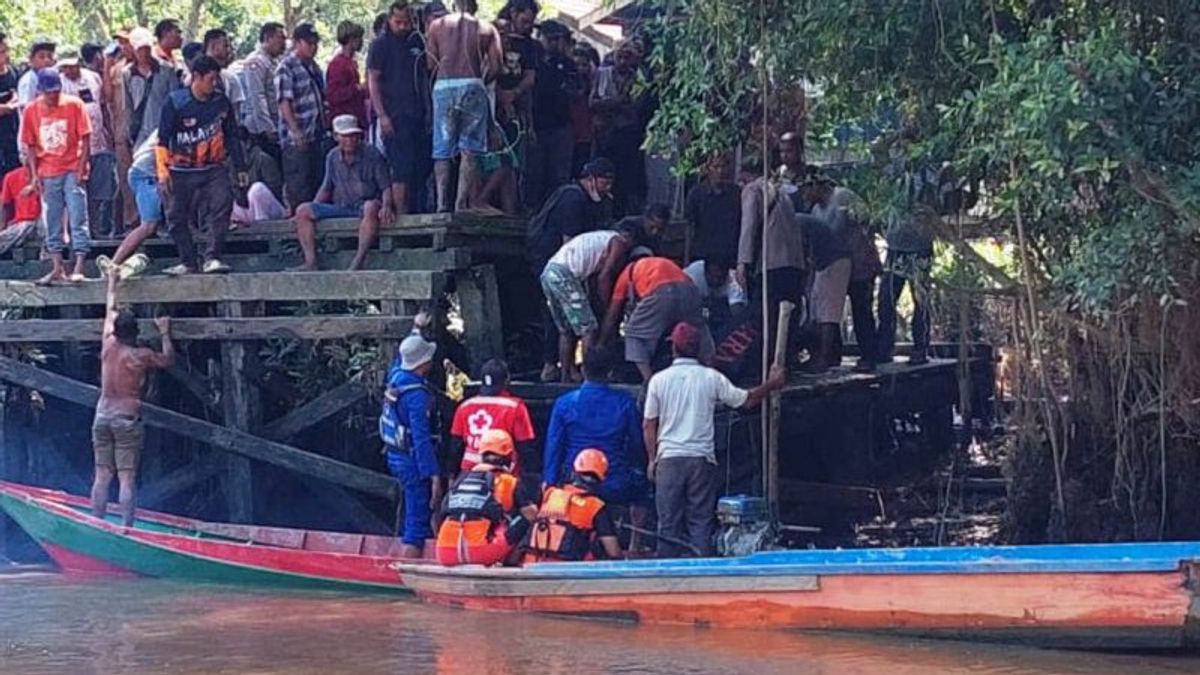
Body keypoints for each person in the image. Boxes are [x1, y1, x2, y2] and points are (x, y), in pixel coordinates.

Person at [643, 322, 786, 558]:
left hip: (669, 459)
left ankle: (666, 577)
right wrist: (772, 384)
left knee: (668, 524)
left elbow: (649, 424)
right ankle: (703, 573)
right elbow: (746, 401)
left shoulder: (659, 380)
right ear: (699, 349)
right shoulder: (711, 378)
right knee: (701, 522)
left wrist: (652, 459)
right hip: (701, 460)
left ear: (673, 349)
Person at [543, 347, 652, 544]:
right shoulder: (625, 403)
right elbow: (637, 445)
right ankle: (635, 545)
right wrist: (638, 471)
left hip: (574, 482)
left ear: (583, 370)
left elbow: (554, 447)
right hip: (615, 481)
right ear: (611, 373)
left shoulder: (564, 403)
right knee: (642, 492)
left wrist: (550, 483)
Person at [92, 273, 174, 527]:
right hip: (126, 419)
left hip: (102, 416)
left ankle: (97, 525)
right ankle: (127, 529)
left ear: (116, 331)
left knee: (102, 475)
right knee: (126, 477)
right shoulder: (141, 356)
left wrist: (112, 283)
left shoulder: (107, 344)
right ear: (135, 332)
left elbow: (110, 309)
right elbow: (168, 360)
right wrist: (165, 333)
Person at [156, 55, 248, 276]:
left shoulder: (221, 102)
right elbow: (162, 139)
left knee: (222, 205)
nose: (214, 84)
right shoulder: (176, 102)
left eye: (216, 79)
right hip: (180, 170)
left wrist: (241, 167)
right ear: (196, 77)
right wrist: (162, 171)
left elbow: (232, 136)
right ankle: (188, 261)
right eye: (210, 79)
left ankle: (213, 257)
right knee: (175, 216)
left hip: (213, 168)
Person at [528, 157, 615, 381]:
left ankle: (564, 371)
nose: (607, 189)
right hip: (555, 260)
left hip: (558, 265)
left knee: (565, 324)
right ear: (591, 180)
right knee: (582, 322)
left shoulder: (591, 201)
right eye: (604, 183)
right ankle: (583, 372)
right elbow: (570, 243)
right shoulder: (573, 198)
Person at [426, 0, 503, 212]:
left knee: (441, 149)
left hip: (444, 87)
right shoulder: (487, 28)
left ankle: (442, 203)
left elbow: (431, 64)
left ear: (453, 4)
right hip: (472, 84)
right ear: (474, 6)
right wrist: (481, 81)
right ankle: (461, 203)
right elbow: (497, 66)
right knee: (469, 149)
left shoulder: (436, 26)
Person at [540, 220, 640, 382]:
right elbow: (604, 276)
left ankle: (566, 375)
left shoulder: (599, 238)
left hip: (549, 272)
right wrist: (606, 304)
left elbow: (593, 276)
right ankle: (590, 375)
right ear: (630, 240)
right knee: (589, 327)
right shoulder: (618, 242)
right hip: (565, 275)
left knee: (566, 330)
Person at [291, 114, 394, 271]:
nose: (349, 140)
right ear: (336, 137)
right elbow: (326, 188)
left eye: (353, 136)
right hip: (341, 206)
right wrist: (312, 207)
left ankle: (358, 261)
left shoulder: (372, 154)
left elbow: (385, 186)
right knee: (302, 210)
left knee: (371, 207)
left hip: (364, 206)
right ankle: (311, 262)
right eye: (345, 136)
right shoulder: (332, 157)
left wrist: (386, 205)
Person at [22, 67, 92, 285]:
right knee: (52, 219)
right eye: (49, 91)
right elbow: (31, 146)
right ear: (41, 91)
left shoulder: (74, 105)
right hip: (48, 171)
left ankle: (79, 265)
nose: (53, 95)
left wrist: (82, 167)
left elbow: (86, 138)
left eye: (56, 91)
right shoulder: (31, 111)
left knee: (78, 215)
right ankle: (57, 267)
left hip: (72, 167)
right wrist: (34, 177)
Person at [736, 154, 805, 369]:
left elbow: (749, 226)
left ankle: (764, 365)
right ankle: (786, 362)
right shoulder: (781, 192)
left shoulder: (753, 190)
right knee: (790, 315)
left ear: (744, 176)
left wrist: (742, 262)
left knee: (767, 315)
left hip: (772, 261)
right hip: (794, 262)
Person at [602, 253, 714, 382]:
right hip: (689, 290)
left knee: (633, 333)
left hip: (661, 292)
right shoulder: (658, 263)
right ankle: (710, 372)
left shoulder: (626, 274)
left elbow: (612, 315)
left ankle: (649, 381)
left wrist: (602, 341)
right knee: (697, 330)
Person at [435, 429, 539, 566]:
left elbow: (439, 516)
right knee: (527, 517)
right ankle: (512, 563)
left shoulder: (460, 480)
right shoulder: (509, 482)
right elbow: (531, 515)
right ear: (510, 456)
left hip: (444, 552)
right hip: (481, 553)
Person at [382, 333, 443, 558]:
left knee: (413, 512)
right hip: (411, 461)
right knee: (417, 526)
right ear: (424, 364)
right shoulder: (416, 396)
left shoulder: (396, 375)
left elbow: (401, 356)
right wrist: (433, 474)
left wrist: (416, 329)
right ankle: (407, 578)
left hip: (395, 455)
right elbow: (421, 439)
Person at [368, 2, 431, 215]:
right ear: (389, 20)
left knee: (419, 165)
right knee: (400, 167)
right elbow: (373, 81)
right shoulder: (380, 45)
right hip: (394, 114)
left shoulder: (417, 41)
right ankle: (402, 214)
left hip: (417, 113)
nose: (403, 26)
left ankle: (417, 209)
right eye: (398, 22)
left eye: (407, 22)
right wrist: (382, 115)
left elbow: (424, 76)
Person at [523, 448, 622, 562]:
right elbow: (613, 551)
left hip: (532, 565)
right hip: (567, 571)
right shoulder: (595, 507)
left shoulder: (549, 493)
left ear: (574, 471)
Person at [801, 176, 858, 373]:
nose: (804, 195)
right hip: (820, 264)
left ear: (815, 184)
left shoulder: (842, 196)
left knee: (829, 313)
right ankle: (826, 355)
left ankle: (825, 358)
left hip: (839, 260)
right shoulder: (814, 211)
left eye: (806, 189)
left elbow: (865, 221)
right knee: (816, 311)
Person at [60, 50, 118, 240]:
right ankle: (75, 232)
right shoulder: (60, 83)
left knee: (98, 191)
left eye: (73, 65)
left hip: (98, 142)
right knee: (77, 190)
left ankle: (94, 230)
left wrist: (109, 132)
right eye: (66, 66)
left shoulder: (93, 78)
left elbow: (102, 105)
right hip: (74, 147)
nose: (70, 69)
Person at [449, 359, 536, 476]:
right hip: (502, 476)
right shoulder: (515, 407)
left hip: (468, 474)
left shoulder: (464, 406)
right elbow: (525, 448)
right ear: (507, 381)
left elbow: (455, 447)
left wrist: (451, 476)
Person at [591, 40, 648, 216]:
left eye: (627, 57)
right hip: (603, 134)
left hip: (626, 134)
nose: (623, 61)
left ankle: (619, 213)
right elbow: (592, 102)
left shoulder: (638, 79)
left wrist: (612, 105)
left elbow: (636, 107)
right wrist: (615, 102)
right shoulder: (602, 74)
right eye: (620, 56)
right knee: (600, 171)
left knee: (624, 178)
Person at [526, 19, 577, 211]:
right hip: (537, 124)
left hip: (560, 125)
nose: (553, 43)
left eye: (557, 39)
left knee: (559, 175)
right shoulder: (533, 60)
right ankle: (534, 211)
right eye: (550, 38)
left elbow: (577, 90)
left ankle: (557, 211)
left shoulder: (567, 64)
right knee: (535, 173)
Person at [276, 23, 328, 210]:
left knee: (317, 183)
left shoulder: (314, 68)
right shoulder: (286, 67)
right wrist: (295, 131)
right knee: (299, 187)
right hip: (296, 140)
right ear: (297, 43)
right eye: (309, 43)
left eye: (315, 43)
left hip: (316, 135)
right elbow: (284, 102)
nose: (313, 47)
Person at [878, 203, 936, 366]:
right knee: (886, 299)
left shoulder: (928, 180)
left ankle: (921, 347)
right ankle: (884, 347)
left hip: (920, 249)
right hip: (895, 249)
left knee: (921, 301)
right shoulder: (892, 180)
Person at [97, 130, 159, 277]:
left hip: (150, 172)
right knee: (148, 225)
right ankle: (113, 264)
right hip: (145, 174)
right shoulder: (170, 123)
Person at [124, 27, 181, 152]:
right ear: (133, 50)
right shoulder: (127, 73)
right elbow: (128, 105)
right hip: (141, 132)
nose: (144, 53)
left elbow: (175, 102)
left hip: (163, 129)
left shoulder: (166, 70)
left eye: (147, 49)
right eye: (140, 50)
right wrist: (129, 131)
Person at [239, 22, 287, 163]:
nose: (284, 42)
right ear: (268, 38)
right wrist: (268, 128)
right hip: (260, 129)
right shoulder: (256, 62)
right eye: (281, 38)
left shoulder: (275, 61)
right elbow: (257, 96)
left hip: (276, 122)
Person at [684, 153, 740, 265]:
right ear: (708, 169)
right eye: (716, 167)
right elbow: (690, 227)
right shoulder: (696, 194)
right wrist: (687, 257)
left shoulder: (736, 193)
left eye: (723, 166)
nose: (720, 171)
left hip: (728, 254)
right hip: (703, 254)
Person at [683, 258, 748, 333]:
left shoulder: (734, 280)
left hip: (721, 319)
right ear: (704, 272)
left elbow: (738, 315)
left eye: (719, 277)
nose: (716, 280)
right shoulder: (692, 274)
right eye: (712, 276)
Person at [327, 21, 368, 131]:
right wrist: (357, 88)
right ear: (351, 39)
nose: (361, 42)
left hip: (355, 120)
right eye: (359, 38)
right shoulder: (338, 64)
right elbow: (333, 96)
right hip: (344, 123)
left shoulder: (351, 62)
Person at [568, 43, 599, 177]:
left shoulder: (593, 85)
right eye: (577, 65)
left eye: (584, 65)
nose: (580, 68)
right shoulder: (568, 84)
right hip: (569, 132)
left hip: (586, 134)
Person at [203, 29, 246, 123]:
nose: (229, 50)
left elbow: (236, 114)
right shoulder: (193, 79)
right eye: (225, 46)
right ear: (213, 46)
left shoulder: (230, 78)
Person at [0, 33, 20, 176]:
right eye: (2, 52)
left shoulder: (13, 72)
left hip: (13, 136)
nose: (6, 55)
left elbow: (19, 95)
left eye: (6, 50)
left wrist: (14, 103)